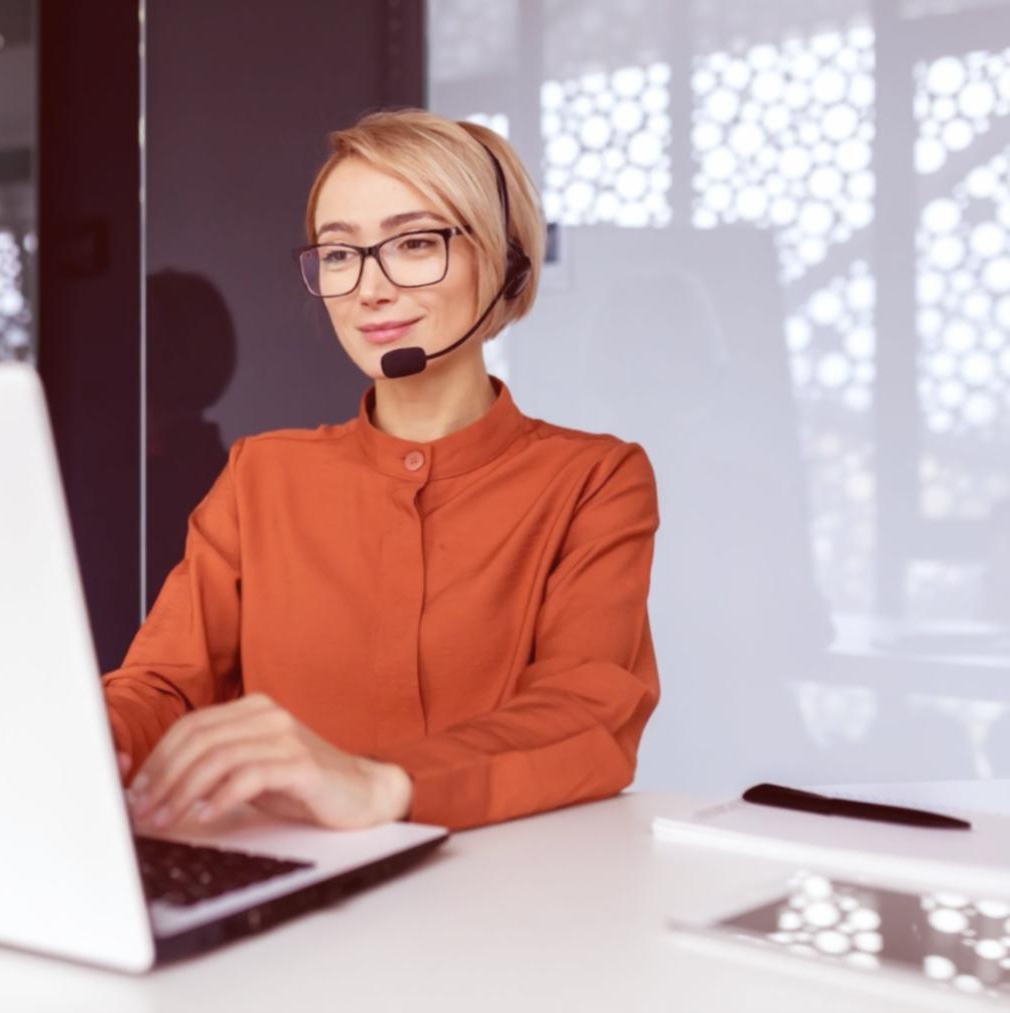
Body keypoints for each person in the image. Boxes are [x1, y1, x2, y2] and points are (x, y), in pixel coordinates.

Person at [102, 108, 661, 832]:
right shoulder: (260, 475)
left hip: (503, 892)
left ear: (504, 261)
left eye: (415, 242)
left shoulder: (595, 479)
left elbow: (586, 715)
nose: (370, 287)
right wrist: (87, 738)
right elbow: (162, 688)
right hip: (293, 885)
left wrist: (380, 785)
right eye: (339, 254)